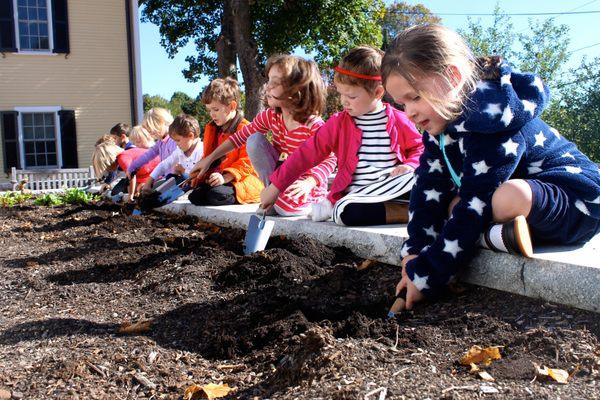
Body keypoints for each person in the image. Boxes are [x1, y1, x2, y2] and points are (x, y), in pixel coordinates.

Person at [381, 25, 600, 310]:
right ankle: (501, 236)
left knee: (506, 197)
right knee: (453, 205)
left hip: (578, 201)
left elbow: (478, 202)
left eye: (415, 97)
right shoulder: (439, 128)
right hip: (520, 203)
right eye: (401, 104)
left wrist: (429, 275)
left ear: (452, 78)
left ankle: (492, 236)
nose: (409, 112)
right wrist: (413, 254)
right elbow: (427, 190)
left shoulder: (491, 120)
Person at [261, 46, 423, 225]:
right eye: (341, 94)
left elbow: (420, 148)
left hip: (392, 188)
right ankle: (412, 212)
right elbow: (305, 154)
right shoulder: (338, 123)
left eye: (351, 96)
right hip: (358, 197)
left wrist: (410, 165)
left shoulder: (398, 120)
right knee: (345, 213)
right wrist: (276, 186)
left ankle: (416, 207)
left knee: (425, 179)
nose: (343, 101)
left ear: (377, 93)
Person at [191, 54, 336, 216]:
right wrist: (208, 159)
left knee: (287, 210)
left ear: (295, 91)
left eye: (274, 82)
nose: (267, 86)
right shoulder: (271, 116)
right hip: (279, 181)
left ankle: (305, 203)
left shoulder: (313, 125)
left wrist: (309, 183)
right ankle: (272, 197)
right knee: (254, 140)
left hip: (304, 184)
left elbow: (330, 159)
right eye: (268, 80)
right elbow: (239, 138)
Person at [187, 78, 263, 206]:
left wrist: (226, 177)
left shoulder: (245, 128)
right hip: (221, 180)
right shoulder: (212, 129)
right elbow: (209, 158)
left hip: (245, 180)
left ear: (232, 106)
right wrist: (200, 176)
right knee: (196, 196)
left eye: (215, 110)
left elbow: (247, 162)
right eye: (209, 110)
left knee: (216, 195)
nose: (212, 114)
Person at [142, 114, 203, 191]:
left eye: (178, 140)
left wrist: (183, 171)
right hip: (187, 182)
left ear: (190, 136)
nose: (176, 143)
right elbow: (164, 165)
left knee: (184, 178)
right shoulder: (180, 151)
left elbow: (199, 174)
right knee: (171, 178)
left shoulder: (201, 150)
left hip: (199, 183)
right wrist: (149, 182)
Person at [92, 139, 159, 202]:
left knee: (142, 193)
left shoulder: (123, 158)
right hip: (148, 173)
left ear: (109, 160)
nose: (107, 170)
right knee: (137, 191)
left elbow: (131, 176)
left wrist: (130, 196)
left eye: (106, 167)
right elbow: (131, 178)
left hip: (158, 170)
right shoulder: (122, 157)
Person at [127, 107, 175, 179]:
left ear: (163, 123)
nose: (150, 132)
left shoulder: (174, 140)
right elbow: (148, 155)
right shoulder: (161, 142)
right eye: (149, 130)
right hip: (169, 178)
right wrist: (132, 166)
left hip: (177, 178)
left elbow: (174, 161)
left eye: (152, 129)